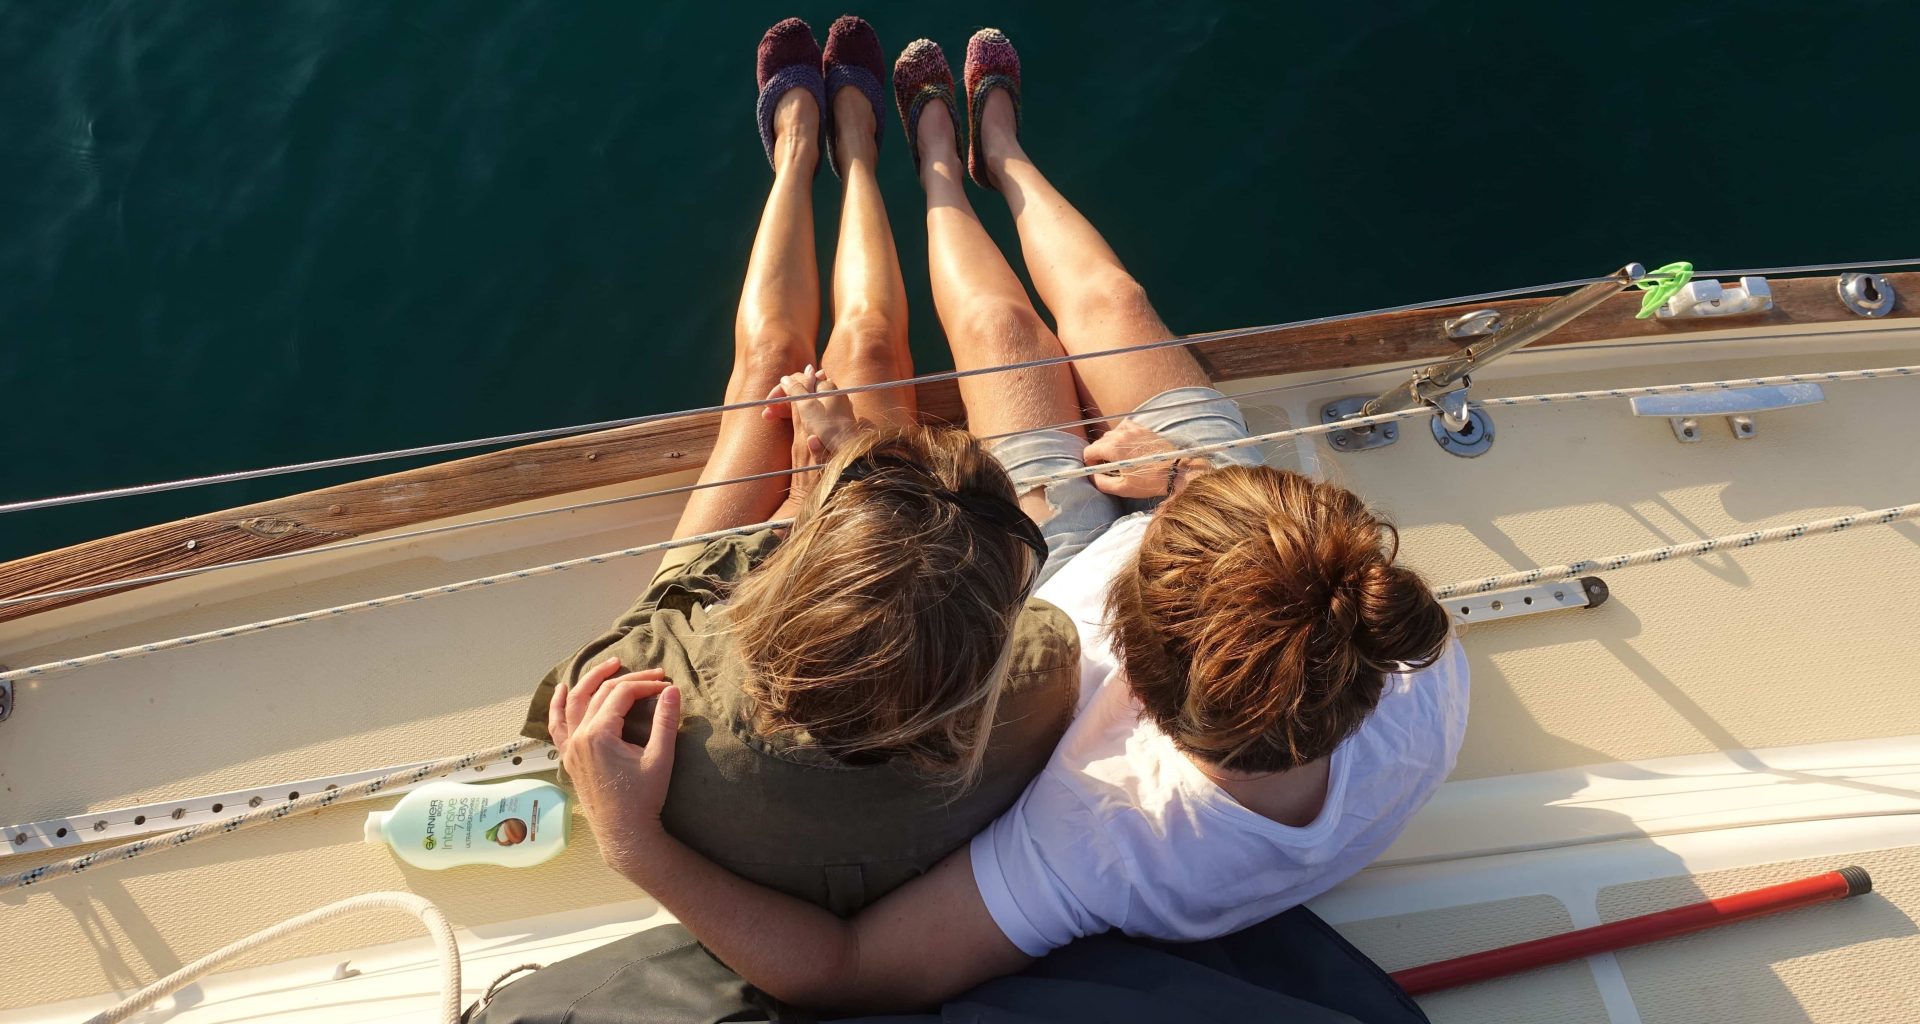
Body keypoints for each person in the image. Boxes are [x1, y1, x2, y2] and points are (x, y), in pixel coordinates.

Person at [548, 26, 1469, 1014]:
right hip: (1218, 522)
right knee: (1113, 302)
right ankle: (982, 159)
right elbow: (1293, 577)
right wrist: (1193, 478)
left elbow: (849, 969)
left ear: (1133, 680)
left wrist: (634, 844)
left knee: (1004, 335)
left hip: (1072, 550)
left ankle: (935, 158)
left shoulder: (1109, 830)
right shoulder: (1388, 643)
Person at [522, 17, 1084, 916]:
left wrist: (816, 474)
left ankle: (801, 152)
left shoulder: (664, 707)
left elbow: (584, 702)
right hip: (844, 614)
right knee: (861, 353)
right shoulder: (1039, 675)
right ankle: (856, 154)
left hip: (727, 630)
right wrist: (835, 461)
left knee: (771, 370)